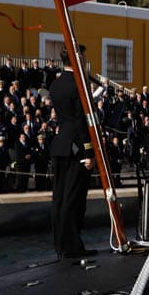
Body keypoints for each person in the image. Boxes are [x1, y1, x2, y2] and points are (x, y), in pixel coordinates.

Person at [50, 45, 96, 258]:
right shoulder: (79, 84)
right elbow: (81, 121)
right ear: (77, 57)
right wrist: (88, 152)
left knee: (59, 197)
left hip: (60, 144)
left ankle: (61, 243)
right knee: (73, 198)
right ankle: (72, 246)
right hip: (76, 147)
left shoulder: (56, 84)